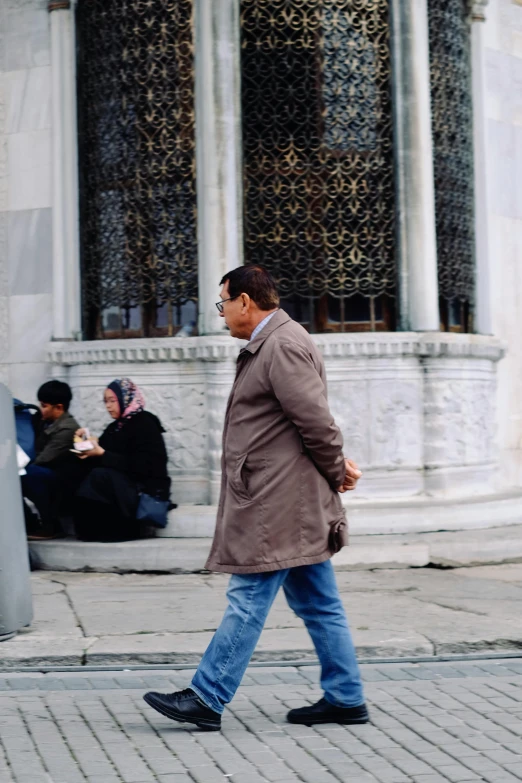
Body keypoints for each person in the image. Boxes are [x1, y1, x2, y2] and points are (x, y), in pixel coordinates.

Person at [144, 265, 368, 732]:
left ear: (246, 301)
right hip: (287, 498)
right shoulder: (273, 343)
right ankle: (346, 697)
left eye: (223, 303)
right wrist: (333, 469)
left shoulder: (281, 345)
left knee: (247, 597)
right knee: (319, 603)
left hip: (278, 503)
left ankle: (207, 696)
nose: (221, 313)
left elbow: (316, 422)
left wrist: (336, 470)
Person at [73, 378, 171, 542]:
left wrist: (103, 454)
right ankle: (88, 529)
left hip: (144, 488)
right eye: (105, 401)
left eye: (112, 401)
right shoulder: (115, 427)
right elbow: (102, 454)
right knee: (76, 470)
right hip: (121, 486)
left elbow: (146, 466)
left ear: (126, 398)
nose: (108, 406)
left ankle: (125, 529)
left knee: (101, 476)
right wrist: (84, 447)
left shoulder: (145, 423)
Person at [22, 380, 80, 540]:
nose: (41, 409)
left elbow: (44, 459)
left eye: (44, 405)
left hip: (62, 485)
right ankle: (30, 522)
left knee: (29, 473)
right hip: (47, 477)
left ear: (59, 407)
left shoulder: (68, 428)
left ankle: (51, 525)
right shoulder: (44, 421)